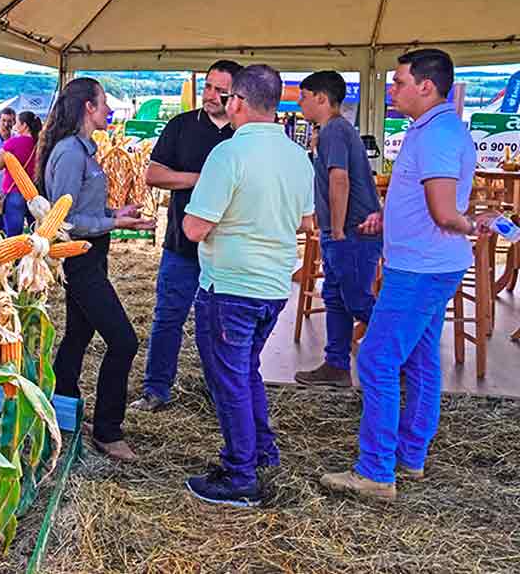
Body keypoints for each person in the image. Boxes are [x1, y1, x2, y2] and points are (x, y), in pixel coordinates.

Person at [321, 49, 495, 501]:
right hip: (429, 263)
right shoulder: (436, 128)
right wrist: (390, 219)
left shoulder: (436, 135)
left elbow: (442, 210)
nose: (392, 89)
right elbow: (430, 201)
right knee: (420, 360)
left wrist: (471, 224)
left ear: (426, 86)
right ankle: (410, 456)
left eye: (398, 82)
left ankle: (376, 470)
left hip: (419, 268)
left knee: (377, 359)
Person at [181, 64, 314, 507]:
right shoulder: (297, 156)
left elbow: (195, 228)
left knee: (229, 380)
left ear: (237, 101)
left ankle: (240, 476)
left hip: (230, 285)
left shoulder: (228, 155)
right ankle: (261, 451)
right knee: (245, 371)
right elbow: (306, 220)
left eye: (228, 99)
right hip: (274, 285)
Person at [39, 77, 156, 462]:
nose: (109, 110)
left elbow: (80, 210)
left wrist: (113, 213)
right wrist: (116, 224)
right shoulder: (72, 153)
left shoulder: (82, 150)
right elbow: (66, 220)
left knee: (77, 335)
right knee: (124, 341)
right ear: (88, 108)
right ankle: (108, 430)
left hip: (91, 255)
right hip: (81, 259)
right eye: (104, 103)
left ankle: (64, 412)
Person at [131, 60, 241, 412]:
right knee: (168, 317)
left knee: (221, 326)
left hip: (227, 248)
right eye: (207, 86)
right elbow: (153, 174)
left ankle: (220, 390)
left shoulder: (245, 133)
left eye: (219, 91)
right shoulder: (181, 126)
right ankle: (156, 389)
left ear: (236, 95)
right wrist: (201, 180)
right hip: (182, 244)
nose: (210, 95)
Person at [294, 71, 382, 387]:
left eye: (303, 96)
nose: (299, 102)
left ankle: (408, 355)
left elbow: (339, 179)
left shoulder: (333, 131)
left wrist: (339, 228)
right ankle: (336, 364)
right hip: (346, 229)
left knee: (356, 298)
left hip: (352, 231)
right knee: (335, 296)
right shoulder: (335, 130)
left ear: (321, 97)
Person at [0, 110, 41, 236]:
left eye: (16, 122)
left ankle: (15, 256)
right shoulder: (40, 144)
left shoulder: (12, 143)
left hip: (14, 193)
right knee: (37, 234)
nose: (14, 126)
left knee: (13, 236)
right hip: (35, 195)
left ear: (24, 126)